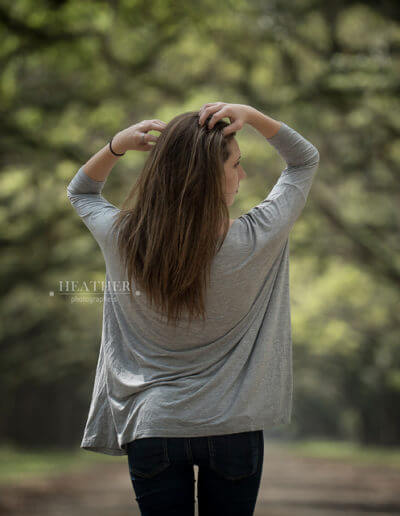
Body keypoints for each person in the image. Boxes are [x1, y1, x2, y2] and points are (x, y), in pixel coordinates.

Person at [66, 102, 320, 515]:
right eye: (236, 164)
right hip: (233, 428)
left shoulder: (123, 238)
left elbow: (80, 191)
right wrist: (252, 116)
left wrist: (116, 146)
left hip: (153, 425)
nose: (242, 175)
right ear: (209, 176)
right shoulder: (258, 237)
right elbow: (303, 160)